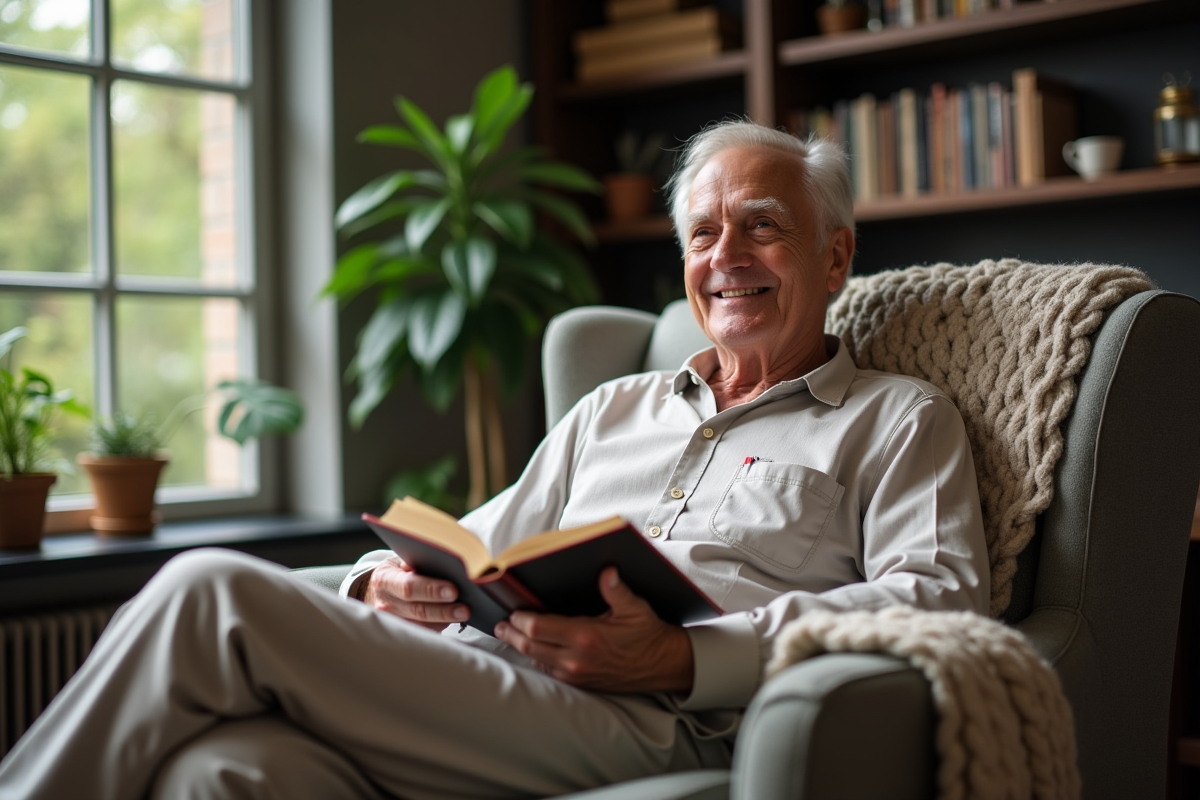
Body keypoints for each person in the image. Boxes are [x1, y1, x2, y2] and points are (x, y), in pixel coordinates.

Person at [0, 120, 988, 800]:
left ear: (834, 257)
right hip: (484, 678)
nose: (725, 253)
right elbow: (481, 542)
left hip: (661, 714)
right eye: (703, 232)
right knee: (224, 772)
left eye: (762, 227)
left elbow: (941, 600)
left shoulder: (897, 418)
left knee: (210, 587)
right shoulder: (613, 407)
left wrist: (687, 653)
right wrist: (383, 583)